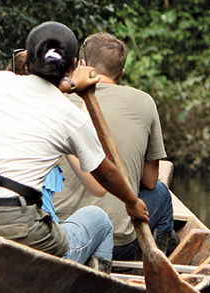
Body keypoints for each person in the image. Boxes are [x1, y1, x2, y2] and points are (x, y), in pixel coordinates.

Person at [0, 22, 148, 271]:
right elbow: (106, 174)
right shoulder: (71, 116)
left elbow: (37, 91)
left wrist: (68, 85)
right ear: (72, 66)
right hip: (16, 226)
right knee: (100, 220)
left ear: (27, 57)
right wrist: (132, 202)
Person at [53, 32, 178, 261]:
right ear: (121, 74)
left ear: (81, 65)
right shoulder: (144, 102)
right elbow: (150, 181)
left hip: (57, 234)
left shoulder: (54, 99)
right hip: (120, 241)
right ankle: (154, 262)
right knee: (161, 192)